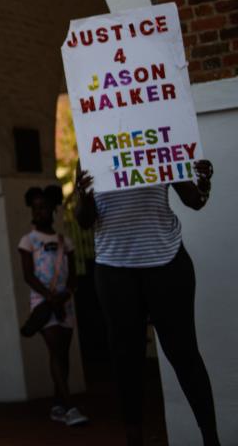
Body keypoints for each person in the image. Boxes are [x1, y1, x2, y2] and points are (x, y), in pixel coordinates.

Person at [76, 160, 219, 446]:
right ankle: (134, 438)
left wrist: (204, 182)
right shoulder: (93, 149)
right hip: (115, 269)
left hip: (166, 263)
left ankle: (211, 440)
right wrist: (83, 195)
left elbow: (193, 200)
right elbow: (84, 220)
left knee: (183, 354)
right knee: (126, 358)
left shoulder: (156, 142)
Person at [17, 184, 89, 427]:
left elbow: (73, 273)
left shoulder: (64, 241)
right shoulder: (28, 241)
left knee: (63, 354)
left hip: (64, 302)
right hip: (44, 302)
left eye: (44, 208)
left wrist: (66, 294)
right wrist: (50, 297)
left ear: (53, 210)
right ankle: (69, 406)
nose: (40, 212)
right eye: (36, 208)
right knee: (55, 350)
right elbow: (28, 275)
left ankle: (58, 404)